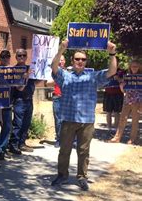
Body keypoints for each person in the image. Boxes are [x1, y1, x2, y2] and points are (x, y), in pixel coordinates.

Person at [50, 40, 117, 191]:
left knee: (84, 151)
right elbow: (54, 68)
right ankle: (62, 175)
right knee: (64, 150)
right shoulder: (65, 76)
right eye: (77, 59)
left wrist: (112, 53)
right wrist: (61, 50)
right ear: (72, 61)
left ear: (86, 62)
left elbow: (112, 71)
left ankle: (81, 177)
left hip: (86, 121)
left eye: (83, 59)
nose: (80, 61)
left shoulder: (93, 77)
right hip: (68, 120)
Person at [8, 49, 36, 155]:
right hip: (19, 100)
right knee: (18, 124)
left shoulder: (29, 68)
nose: (22, 57)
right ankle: (13, 145)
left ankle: (22, 143)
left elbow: (35, 82)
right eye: (19, 55)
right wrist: (25, 78)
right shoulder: (14, 70)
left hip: (29, 99)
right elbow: (19, 88)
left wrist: (42, 74)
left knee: (26, 123)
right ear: (16, 57)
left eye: (24, 55)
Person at [109, 59, 141, 145]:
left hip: (137, 101)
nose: (134, 68)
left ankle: (132, 139)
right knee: (122, 119)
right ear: (130, 67)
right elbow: (123, 90)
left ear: (139, 67)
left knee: (135, 120)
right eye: (132, 66)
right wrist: (121, 86)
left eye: (136, 66)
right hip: (127, 100)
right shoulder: (127, 76)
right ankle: (117, 137)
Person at [0, 49, 12, 160]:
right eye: (3, 57)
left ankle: (2, 148)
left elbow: (18, 85)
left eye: (8, 56)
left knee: (7, 127)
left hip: (8, 103)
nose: (5, 59)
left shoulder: (12, 71)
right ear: (0, 58)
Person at [46, 55, 66, 147]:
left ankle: (69, 139)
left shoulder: (68, 72)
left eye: (62, 60)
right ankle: (59, 139)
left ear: (64, 61)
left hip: (67, 98)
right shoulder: (53, 72)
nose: (60, 62)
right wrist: (57, 79)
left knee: (68, 120)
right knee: (58, 120)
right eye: (59, 60)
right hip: (57, 98)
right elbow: (47, 84)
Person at [103, 68, 124, 135]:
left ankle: (115, 128)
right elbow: (102, 82)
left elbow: (124, 81)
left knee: (117, 112)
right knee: (108, 112)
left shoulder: (121, 72)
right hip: (108, 93)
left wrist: (118, 79)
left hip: (118, 94)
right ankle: (109, 128)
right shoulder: (106, 71)